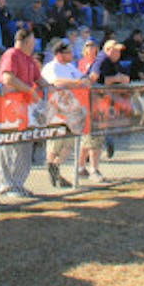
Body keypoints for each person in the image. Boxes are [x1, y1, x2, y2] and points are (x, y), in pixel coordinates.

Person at [0, 29, 46, 198]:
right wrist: (30, 91)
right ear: (24, 42)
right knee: (8, 146)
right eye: (31, 43)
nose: (33, 47)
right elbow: (8, 78)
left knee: (24, 147)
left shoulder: (29, 59)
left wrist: (53, 89)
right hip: (10, 108)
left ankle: (18, 184)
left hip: (26, 110)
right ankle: (7, 185)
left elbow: (39, 79)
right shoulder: (11, 54)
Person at [41, 39, 90, 188]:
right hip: (56, 110)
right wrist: (76, 83)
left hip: (72, 111)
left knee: (69, 144)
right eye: (68, 52)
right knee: (55, 143)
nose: (71, 55)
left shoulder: (70, 67)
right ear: (59, 54)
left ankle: (55, 167)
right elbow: (56, 82)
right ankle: (52, 167)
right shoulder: (51, 67)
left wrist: (84, 79)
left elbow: (82, 77)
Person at [83, 41, 130, 181]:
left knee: (89, 139)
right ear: (108, 50)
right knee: (94, 138)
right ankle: (93, 170)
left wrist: (120, 78)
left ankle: (81, 168)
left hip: (102, 102)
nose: (118, 54)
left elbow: (123, 76)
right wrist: (115, 79)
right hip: (94, 102)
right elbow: (95, 79)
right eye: (116, 51)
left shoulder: (112, 61)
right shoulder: (102, 59)